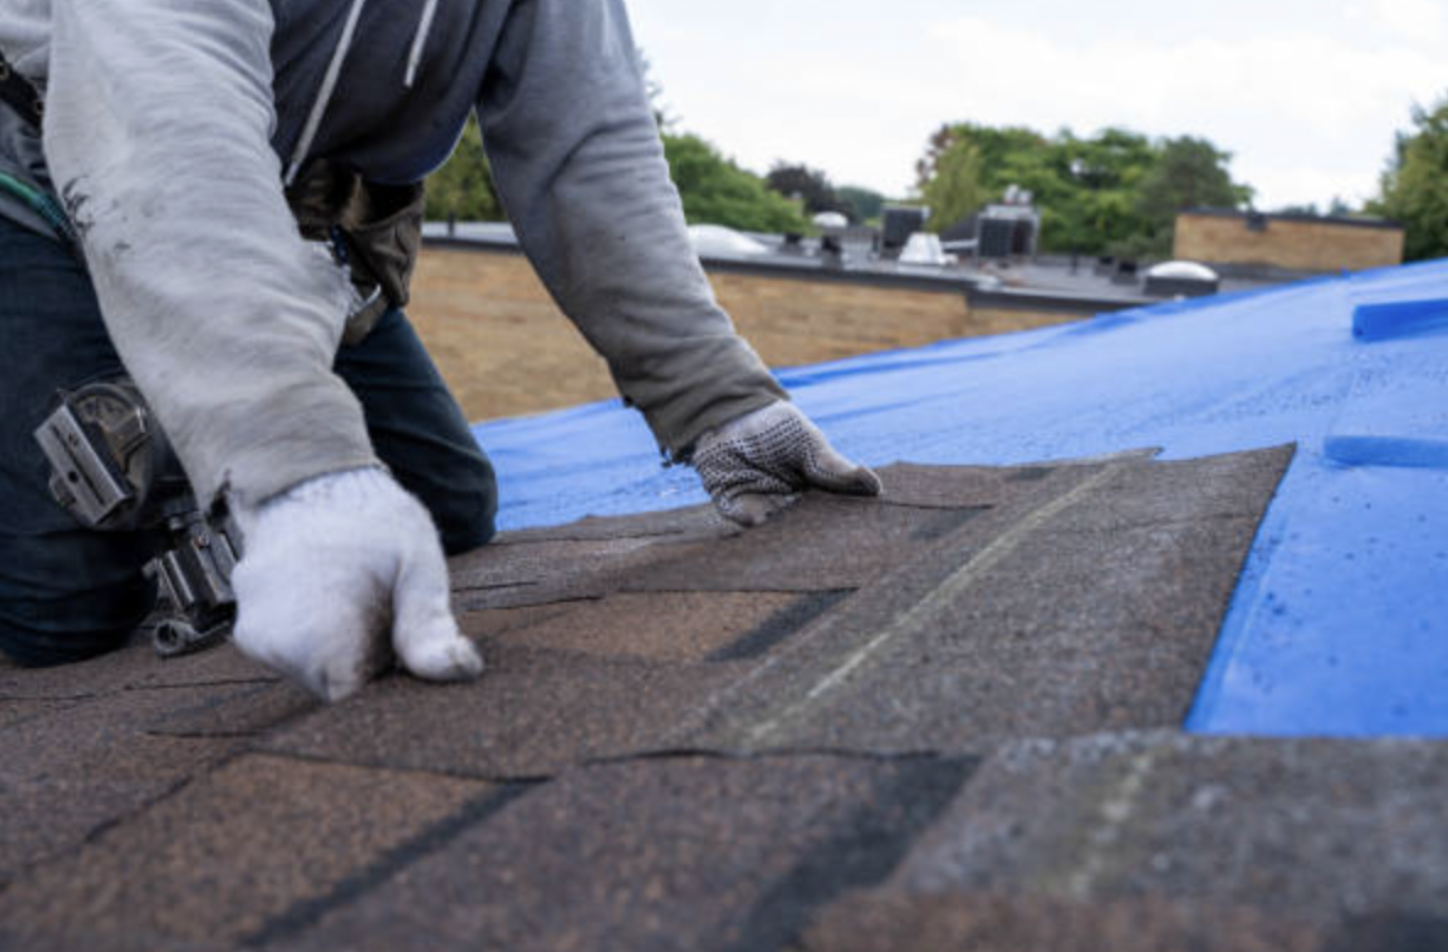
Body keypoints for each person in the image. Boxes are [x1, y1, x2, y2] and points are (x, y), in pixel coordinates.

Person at [0, 0, 880, 700]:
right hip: (52, 190)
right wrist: (290, 468)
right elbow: (164, 119)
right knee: (65, 615)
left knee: (445, 506)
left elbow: (586, 141)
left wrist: (720, 402)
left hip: (292, 233)